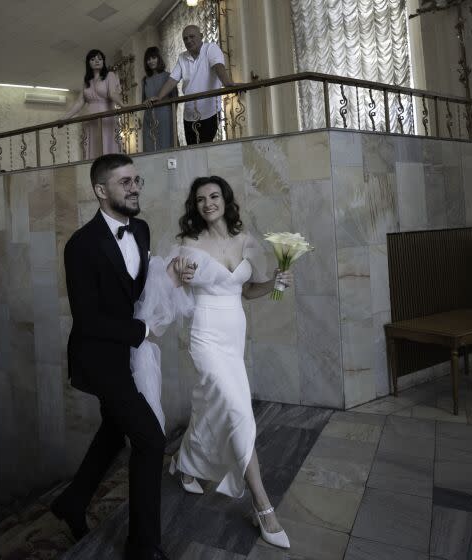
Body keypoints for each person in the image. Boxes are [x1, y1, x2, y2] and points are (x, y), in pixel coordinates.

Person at [50, 154, 187, 560]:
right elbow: (88, 319)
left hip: (130, 352)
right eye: (124, 182)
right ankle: (144, 547)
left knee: (114, 430)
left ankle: (72, 502)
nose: (134, 187)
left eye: (136, 180)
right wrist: (143, 332)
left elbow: (140, 286)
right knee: (149, 438)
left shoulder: (141, 230)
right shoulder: (80, 245)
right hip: (99, 358)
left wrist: (172, 276)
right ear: (100, 190)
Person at [163, 176, 293, 549]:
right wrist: (180, 277)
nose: (208, 203)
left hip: (234, 334)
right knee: (237, 410)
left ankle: (184, 461)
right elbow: (170, 286)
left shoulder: (245, 240)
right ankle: (262, 505)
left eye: (214, 196)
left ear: (226, 200)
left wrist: (275, 283)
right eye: (200, 199)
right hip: (204, 335)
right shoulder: (187, 244)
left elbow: (249, 290)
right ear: (195, 205)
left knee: (211, 405)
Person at [148, 25, 238, 145]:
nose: (188, 41)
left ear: (201, 36)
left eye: (191, 36)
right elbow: (172, 80)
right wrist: (159, 97)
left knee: (204, 149)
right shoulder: (182, 57)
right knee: (192, 151)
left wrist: (227, 83)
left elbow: (218, 67)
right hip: (189, 115)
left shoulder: (211, 48)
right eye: (185, 38)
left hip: (209, 112)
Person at [62, 49, 124, 160]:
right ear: (88, 63)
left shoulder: (110, 75)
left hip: (106, 118)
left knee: (107, 149)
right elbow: (79, 102)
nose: (97, 61)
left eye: (100, 59)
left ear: (103, 61)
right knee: (94, 151)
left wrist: (125, 106)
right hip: (91, 121)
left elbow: (113, 93)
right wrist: (64, 118)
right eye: (93, 59)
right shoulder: (87, 81)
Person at [141, 46, 176, 152]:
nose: (151, 61)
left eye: (153, 58)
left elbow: (175, 99)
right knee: (150, 147)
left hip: (165, 116)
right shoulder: (145, 80)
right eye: (148, 59)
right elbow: (143, 100)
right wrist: (145, 102)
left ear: (159, 58)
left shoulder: (168, 76)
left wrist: (173, 117)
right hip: (149, 118)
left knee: (166, 146)